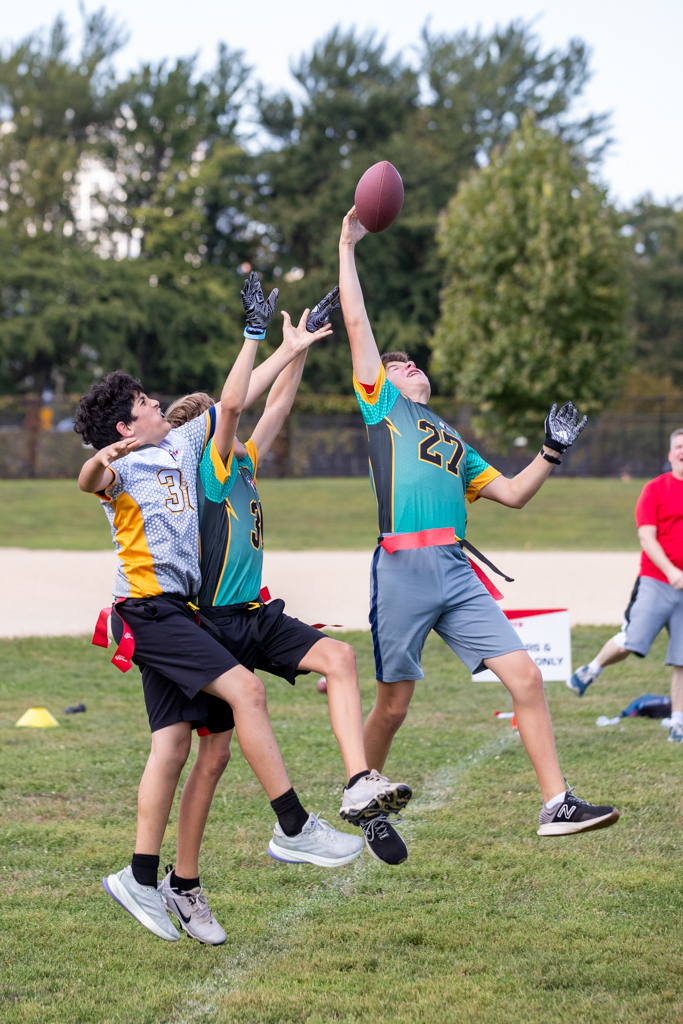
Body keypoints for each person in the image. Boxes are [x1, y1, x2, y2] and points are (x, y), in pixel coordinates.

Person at [75, 289, 363, 946]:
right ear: (126, 427)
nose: (156, 404)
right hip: (148, 613)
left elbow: (247, 396)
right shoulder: (122, 468)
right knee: (247, 690)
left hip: (175, 613)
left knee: (174, 746)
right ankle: (292, 825)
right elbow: (89, 483)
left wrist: (290, 347)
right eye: (146, 403)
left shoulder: (179, 445)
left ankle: (143, 877)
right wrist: (254, 329)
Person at [338, 205, 620, 838]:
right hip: (404, 566)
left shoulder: (453, 439)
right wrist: (347, 248)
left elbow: (515, 494)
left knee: (524, 675)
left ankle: (557, 803)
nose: (409, 365)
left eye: (412, 362)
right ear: (380, 379)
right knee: (394, 705)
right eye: (400, 362)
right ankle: (362, 794)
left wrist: (552, 451)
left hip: (456, 569)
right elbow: (357, 322)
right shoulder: (381, 407)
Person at [165, 281, 413, 868]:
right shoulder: (210, 467)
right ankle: (201, 864)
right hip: (216, 627)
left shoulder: (241, 461)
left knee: (341, 658)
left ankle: (358, 780)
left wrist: (297, 348)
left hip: (254, 613)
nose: (235, 414)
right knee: (212, 756)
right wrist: (268, 347)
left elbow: (274, 406)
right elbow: (232, 406)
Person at [569, 428, 683, 743]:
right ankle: (591, 669)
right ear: (670, 453)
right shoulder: (655, 489)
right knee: (632, 641)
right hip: (657, 580)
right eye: (678, 446)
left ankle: (678, 723)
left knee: (682, 658)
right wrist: (672, 571)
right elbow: (647, 537)